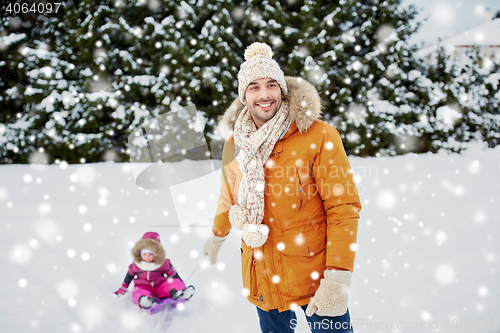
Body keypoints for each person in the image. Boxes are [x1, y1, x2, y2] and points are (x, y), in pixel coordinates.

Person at [203, 42, 361, 333]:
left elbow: (343, 208)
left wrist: (338, 277)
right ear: (243, 95)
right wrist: (217, 235)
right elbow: (228, 197)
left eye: (271, 85)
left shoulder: (319, 135)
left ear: (282, 89)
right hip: (262, 272)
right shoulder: (233, 144)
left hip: (314, 276)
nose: (264, 95)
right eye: (254, 87)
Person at [114, 232, 194, 309]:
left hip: (160, 287)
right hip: (143, 288)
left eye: (150, 254)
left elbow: (173, 275)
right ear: (140, 254)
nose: (147, 257)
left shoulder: (162, 263)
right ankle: (146, 301)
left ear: (156, 254)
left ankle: (179, 294)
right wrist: (123, 287)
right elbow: (129, 275)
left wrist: (180, 285)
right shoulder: (137, 264)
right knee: (136, 291)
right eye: (144, 254)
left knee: (173, 283)